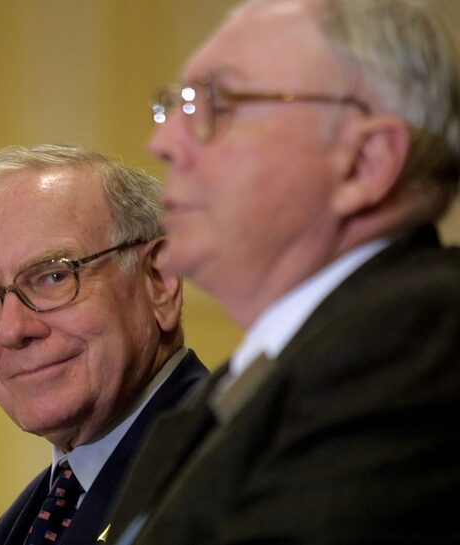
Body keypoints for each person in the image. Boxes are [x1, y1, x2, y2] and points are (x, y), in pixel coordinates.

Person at [106, 0, 460, 543]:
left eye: (218, 104)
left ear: (366, 161)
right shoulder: (257, 374)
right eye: (176, 104)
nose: (163, 142)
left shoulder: (415, 339)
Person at [0, 144, 208, 545]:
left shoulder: (230, 473)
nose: (12, 330)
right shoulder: (17, 528)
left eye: (53, 277)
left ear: (160, 281)